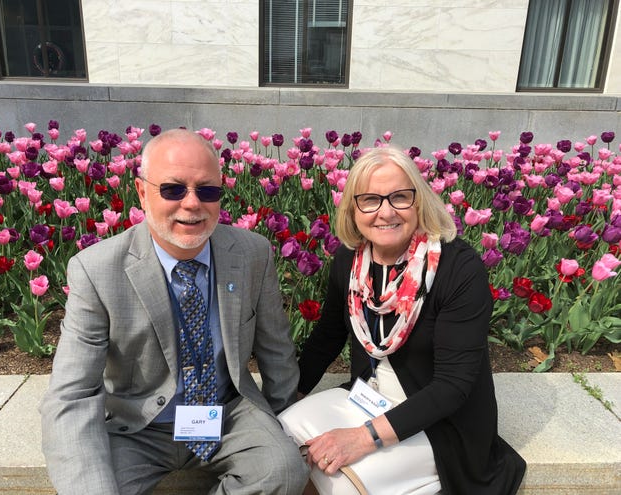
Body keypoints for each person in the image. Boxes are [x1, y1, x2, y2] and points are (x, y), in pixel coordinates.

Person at [40, 128, 309, 495]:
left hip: (225, 415)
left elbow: (276, 351)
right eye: (173, 189)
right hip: (138, 426)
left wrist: (285, 427)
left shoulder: (251, 253)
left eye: (207, 190)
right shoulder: (97, 269)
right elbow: (71, 395)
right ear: (141, 192)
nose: (192, 203)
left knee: (283, 470)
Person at [278, 145, 526, 494]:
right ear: (353, 208)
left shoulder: (458, 268)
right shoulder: (350, 259)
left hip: (440, 422)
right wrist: (290, 394)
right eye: (370, 200)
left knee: (340, 482)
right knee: (282, 433)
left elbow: (453, 385)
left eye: (399, 197)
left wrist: (362, 439)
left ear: (419, 201)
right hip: (367, 397)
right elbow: (329, 335)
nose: (386, 212)